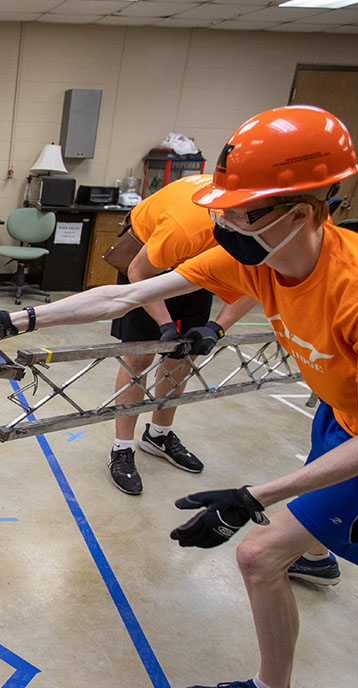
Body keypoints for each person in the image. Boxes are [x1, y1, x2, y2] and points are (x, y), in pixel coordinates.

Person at [0, 105, 358, 688]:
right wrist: (18, 319)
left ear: (300, 213)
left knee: (258, 556)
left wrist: (253, 497)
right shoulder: (255, 256)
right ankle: (315, 554)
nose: (222, 220)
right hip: (343, 410)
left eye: (238, 209)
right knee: (301, 518)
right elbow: (130, 290)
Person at [105, 174, 257, 496]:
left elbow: (258, 283)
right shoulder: (186, 226)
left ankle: (158, 435)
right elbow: (139, 273)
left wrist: (216, 328)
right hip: (147, 261)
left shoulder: (265, 232)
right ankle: (121, 448)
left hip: (198, 263)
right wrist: (163, 324)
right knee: (139, 355)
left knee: (183, 354)